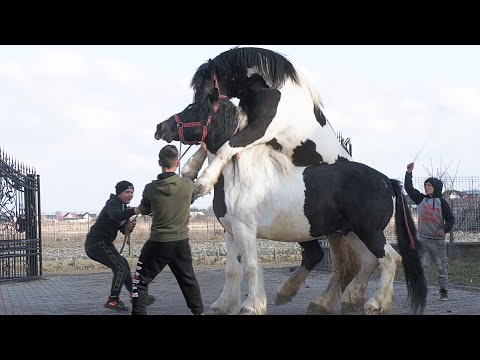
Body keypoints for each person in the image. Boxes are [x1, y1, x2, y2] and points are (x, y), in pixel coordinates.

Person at [131, 145, 204, 315]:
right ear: (177, 163)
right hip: (181, 244)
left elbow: (144, 209)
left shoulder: (150, 189)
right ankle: (199, 312)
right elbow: (191, 197)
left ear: (159, 163)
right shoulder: (187, 185)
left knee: (140, 282)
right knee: (188, 281)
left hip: (158, 244)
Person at [85, 180, 141, 312]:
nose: (130, 195)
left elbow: (123, 229)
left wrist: (129, 227)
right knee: (120, 267)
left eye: (132, 192)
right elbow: (115, 216)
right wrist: (134, 210)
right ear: (119, 193)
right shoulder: (113, 203)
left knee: (124, 265)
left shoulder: (123, 208)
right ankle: (113, 300)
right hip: (96, 244)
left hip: (105, 244)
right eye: (127, 192)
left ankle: (134, 295)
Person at [405, 163, 455, 300]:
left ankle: (443, 290)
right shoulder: (421, 199)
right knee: (423, 266)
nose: (426, 187)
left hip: (438, 242)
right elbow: (409, 189)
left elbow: (451, 219)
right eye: (425, 185)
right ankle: (423, 291)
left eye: (429, 185)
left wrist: (444, 229)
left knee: (441, 267)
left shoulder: (442, 202)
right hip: (424, 240)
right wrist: (409, 173)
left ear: (436, 187)